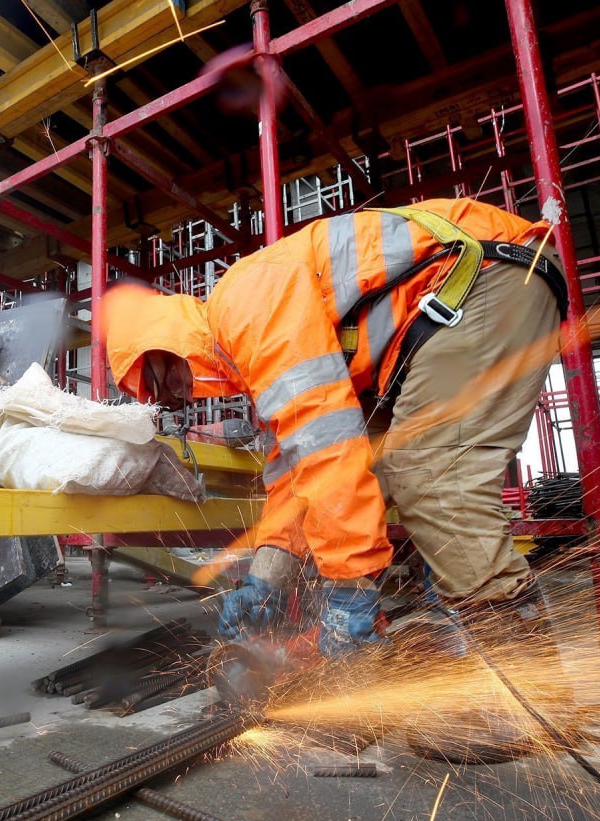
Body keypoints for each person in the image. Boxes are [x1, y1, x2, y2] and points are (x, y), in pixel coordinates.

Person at [102, 198, 568, 657]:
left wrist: (348, 587)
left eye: (165, 380)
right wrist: (264, 580)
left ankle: (521, 667)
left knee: (429, 474)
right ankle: (460, 630)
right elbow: (297, 478)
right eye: (166, 398)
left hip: (485, 274)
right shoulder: (247, 353)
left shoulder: (244, 307)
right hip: (453, 298)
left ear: (167, 343)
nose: (180, 395)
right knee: (374, 480)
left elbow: (327, 454)